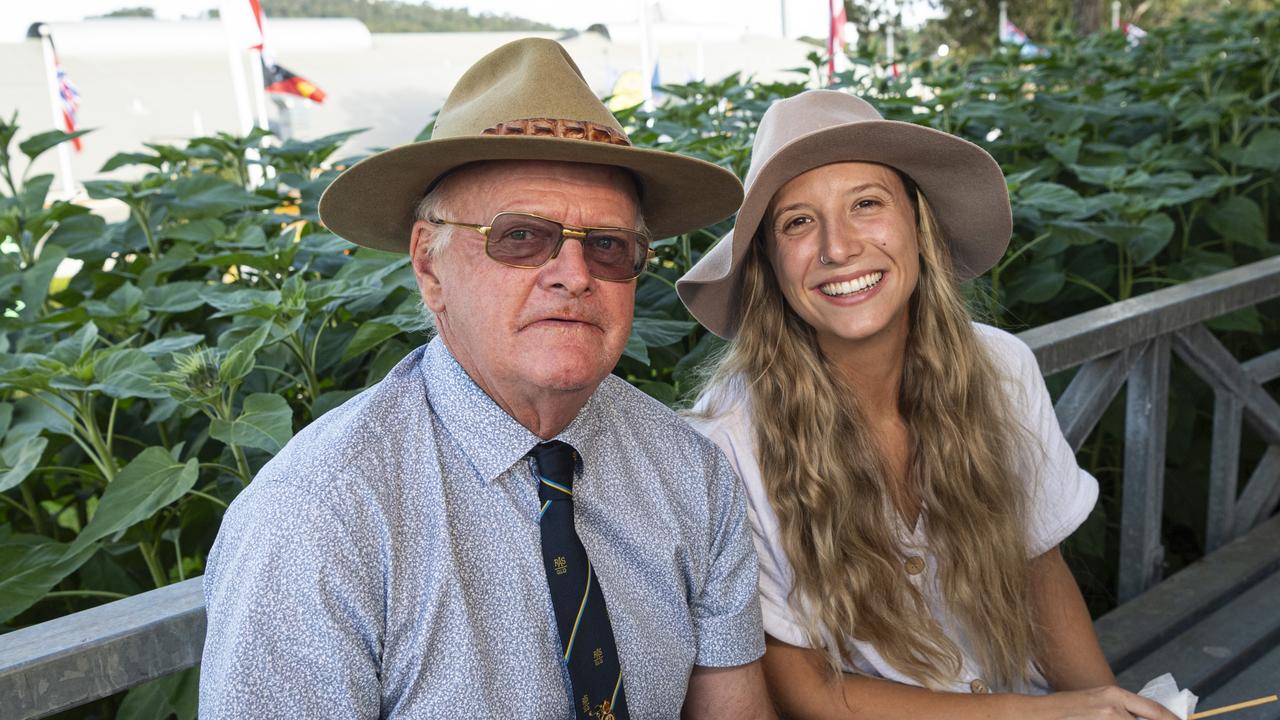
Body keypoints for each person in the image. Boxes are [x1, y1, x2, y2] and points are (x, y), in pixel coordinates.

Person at [200, 38, 774, 720]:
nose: (574, 273)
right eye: (521, 236)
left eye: (609, 246)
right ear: (430, 265)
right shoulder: (319, 519)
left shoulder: (692, 474)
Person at [676, 90, 1179, 720]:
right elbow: (801, 687)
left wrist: (1116, 705)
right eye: (798, 222)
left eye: (866, 204)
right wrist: (1046, 715)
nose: (838, 247)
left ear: (919, 223)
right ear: (768, 266)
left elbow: (1039, 574)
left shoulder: (1001, 369)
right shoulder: (725, 443)